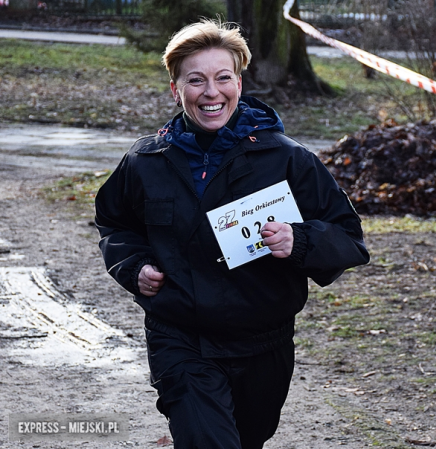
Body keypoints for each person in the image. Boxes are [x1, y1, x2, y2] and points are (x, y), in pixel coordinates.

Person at [95, 19, 370, 448]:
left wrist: (300, 242)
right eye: (196, 80)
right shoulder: (146, 161)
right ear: (175, 89)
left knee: (246, 440)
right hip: (180, 339)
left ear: (239, 84)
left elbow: (349, 239)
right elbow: (116, 225)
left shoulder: (287, 159)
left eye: (223, 78)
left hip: (265, 344)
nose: (211, 92)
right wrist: (134, 266)